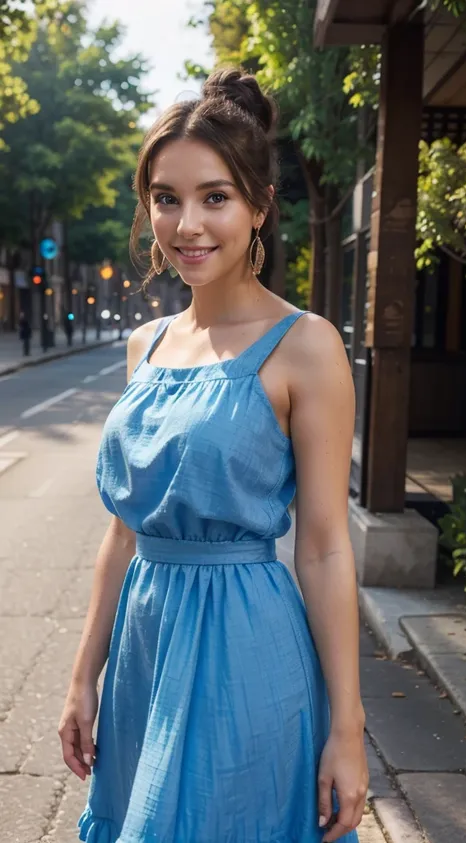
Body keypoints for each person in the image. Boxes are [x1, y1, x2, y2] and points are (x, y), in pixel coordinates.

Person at [58, 68, 368, 843]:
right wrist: (80, 676)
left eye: (215, 197)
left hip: (246, 652)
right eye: (167, 198)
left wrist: (350, 726)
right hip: (143, 650)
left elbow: (327, 547)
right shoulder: (146, 345)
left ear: (260, 207)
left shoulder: (307, 346)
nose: (187, 224)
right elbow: (123, 533)